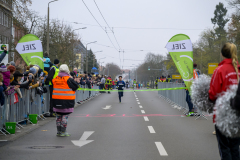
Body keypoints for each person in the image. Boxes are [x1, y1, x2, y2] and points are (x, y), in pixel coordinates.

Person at [209, 42, 240, 160]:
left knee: (225, 148)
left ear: (222, 54)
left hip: (223, 116)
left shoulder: (220, 70)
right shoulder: (238, 69)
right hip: (237, 115)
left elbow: (213, 93)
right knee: (235, 147)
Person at [52, 64, 79, 137]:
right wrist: (72, 79)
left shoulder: (55, 79)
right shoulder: (68, 79)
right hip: (67, 101)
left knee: (58, 116)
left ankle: (58, 131)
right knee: (65, 116)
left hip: (56, 100)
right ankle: (63, 131)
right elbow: (76, 86)